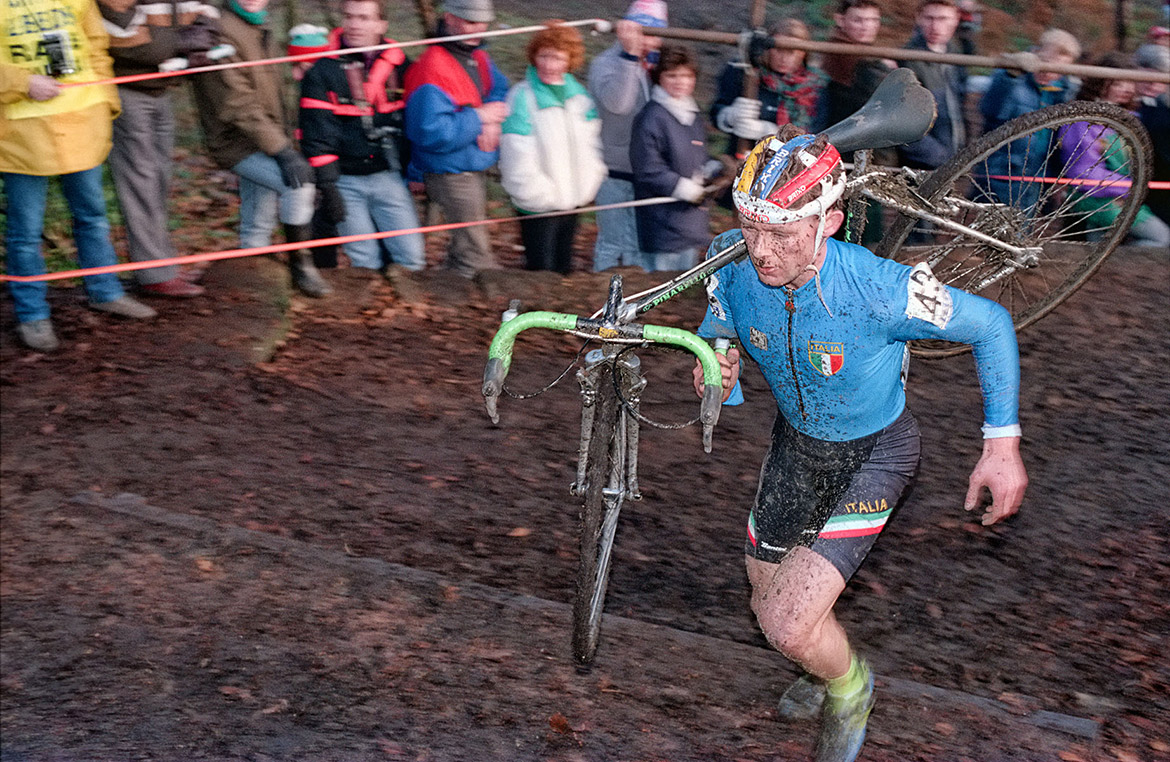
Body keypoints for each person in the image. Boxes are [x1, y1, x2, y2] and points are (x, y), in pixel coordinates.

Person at [692, 128, 1027, 762]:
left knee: (788, 623)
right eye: (749, 227)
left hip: (876, 454)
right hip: (797, 448)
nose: (760, 251)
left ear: (830, 224)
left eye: (783, 234)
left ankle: (850, 688)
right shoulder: (731, 260)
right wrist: (720, 357)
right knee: (769, 603)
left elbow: (991, 323)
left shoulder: (877, 288)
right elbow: (720, 316)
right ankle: (818, 667)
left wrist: (1001, 445)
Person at [2, 0, 157, 352]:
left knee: (93, 217)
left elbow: (96, 48)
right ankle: (32, 315)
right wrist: (23, 81)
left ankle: (106, 292)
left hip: (82, 124)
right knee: (25, 232)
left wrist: (106, 102)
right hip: (21, 135)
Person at [190, 0, 331, 297]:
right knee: (299, 185)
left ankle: (254, 275)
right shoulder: (219, 28)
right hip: (237, 140)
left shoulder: (258, 24)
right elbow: (236, 102)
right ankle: (301, 265)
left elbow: (269, 91)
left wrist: (280, 141)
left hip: (264, 135)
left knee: (258, 218)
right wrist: (283, 150)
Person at [97, 0, 221, 298]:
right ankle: (153, 273)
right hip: (128, 88)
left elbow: (209, 13)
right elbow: (133, 41)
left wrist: (202, 35)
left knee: (160, 177)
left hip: (162, 87)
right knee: (140, 179)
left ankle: (163, 264)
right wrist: (182, 43)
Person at [298, 0, 425, 275]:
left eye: (364, 18)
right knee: (364, 260)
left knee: (412, 257)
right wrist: (329, 187)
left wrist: (417, 170)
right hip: (345, 181)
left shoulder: (401, 66)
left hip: (389, 176)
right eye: (350, 17)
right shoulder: (322, 71)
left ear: (382, 24)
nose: (355, 24)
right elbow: (317, 134)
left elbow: (418, 121)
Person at [403, 0, 509, 278]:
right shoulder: (432, 68)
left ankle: (451, 290)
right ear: (449, 18)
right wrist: (479, 119)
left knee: (464, 244)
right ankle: (479, 303)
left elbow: (497, 88)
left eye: (483, 22)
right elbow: (428, 131)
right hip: (449, 169)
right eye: (471, 22)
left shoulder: (477, 55)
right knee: (475, 251)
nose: (479, 29)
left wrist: (492, 121)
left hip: (468, 163)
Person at [499, 23, 605, 274]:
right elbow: (516, 152)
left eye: (557, 57)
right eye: (543, 55)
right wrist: (537, 194)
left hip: (572, 200)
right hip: (538, 204)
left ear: (570, 60)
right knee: (541, 271)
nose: (549, 64)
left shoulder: (579, 97)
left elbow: (592, 145)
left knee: (564, 267)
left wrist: (587, 183)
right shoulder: (522, 96)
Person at [1058, 53, 1170, 248]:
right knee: (1160, 237)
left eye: (1130, 82)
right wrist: (1131, 187)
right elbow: (1084, 172)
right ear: (1101, 83)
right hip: (1096, 198)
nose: (1127, 89)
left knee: (1099, 248)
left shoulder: (1130, 116)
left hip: (1118, 196)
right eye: (1118, 83)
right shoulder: (1083, 120)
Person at [587, 0, 667, 271]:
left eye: (656, 33)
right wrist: (629, 58)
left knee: (637, 243)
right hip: (614, 170)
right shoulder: (607, 63)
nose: (650, 40)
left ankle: (632, 301)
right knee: (612, 242)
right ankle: (599, 298)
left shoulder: (654, 67)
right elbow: (618, 105)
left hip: (647, 172)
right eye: (644, 31)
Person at [630, 44, 719, 272]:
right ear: (659, 78)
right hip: (662, 224)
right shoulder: (651, 117)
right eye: (672, 75)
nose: (680, 82)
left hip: (690, 223)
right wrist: (681, 187)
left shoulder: (693, 114)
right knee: (662, 288)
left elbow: (698, 157)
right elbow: (648, 169)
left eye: (686, 76)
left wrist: (712, 170)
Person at [815, 0, 894, 246]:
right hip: (850, 156)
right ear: (841, 20)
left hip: (856, 154)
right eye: (858, 20)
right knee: (854, 231)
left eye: (872, 20)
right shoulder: (848, 58)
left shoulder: (860, 57)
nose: (866, 27)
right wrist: (884, 70)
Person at [979, 28, 1079, 212]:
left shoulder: (1065, 92)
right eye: (1046, 62)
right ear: (1036, 53)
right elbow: (990, 111)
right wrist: (1010, 77)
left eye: (1059, 69)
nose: (1049, 73)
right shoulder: (1011, 77)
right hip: (1001, 171)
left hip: (1037, 175)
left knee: (1020, 232)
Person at [712, 18, 827, 150]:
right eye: (778, 50)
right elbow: (716, 113)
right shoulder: (747, 72)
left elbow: (817, 133)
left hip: (791, 164)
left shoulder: (815, 86)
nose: (783, 58)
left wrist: (770, 132)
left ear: (803, 53)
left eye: (791, 52)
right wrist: (729, 115)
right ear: (767, 49)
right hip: (743, 157)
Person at [896, 0, 970, 171]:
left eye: (943, 19)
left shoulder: (955, 54)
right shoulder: (908, 60)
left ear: (956, 19)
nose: (935, 26)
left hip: (952, 157)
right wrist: (940, 157)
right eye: (929, 18)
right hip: (925, 164)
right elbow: (903, 123)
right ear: (919, 18)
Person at [1134, 42, 1170, 226]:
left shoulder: (1162, 108)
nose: (1152, 85)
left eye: (1159, 79)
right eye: (1146, 77)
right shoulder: (1129, 106)